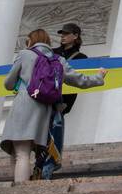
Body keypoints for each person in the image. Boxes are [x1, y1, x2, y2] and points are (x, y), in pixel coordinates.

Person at [0, 29, 106, 185]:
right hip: (46, 113)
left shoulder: (25, 54)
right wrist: (99, 77)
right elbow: (79, 80)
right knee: (29, 153)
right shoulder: (59, 60)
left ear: (31, 41)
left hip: (23, 108)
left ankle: (19, 191)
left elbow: (8, 84)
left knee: (21, 154)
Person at [36, 23, 85, 180]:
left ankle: (48, 169)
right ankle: (38, 166)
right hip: (45, 99)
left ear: (75, 36)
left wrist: (66, 106)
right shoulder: (53, 53)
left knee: (54, 134)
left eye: (66, 33)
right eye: (62, 34)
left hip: (60, 102)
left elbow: (76, 83)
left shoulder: (81, 58)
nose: (62, 36)